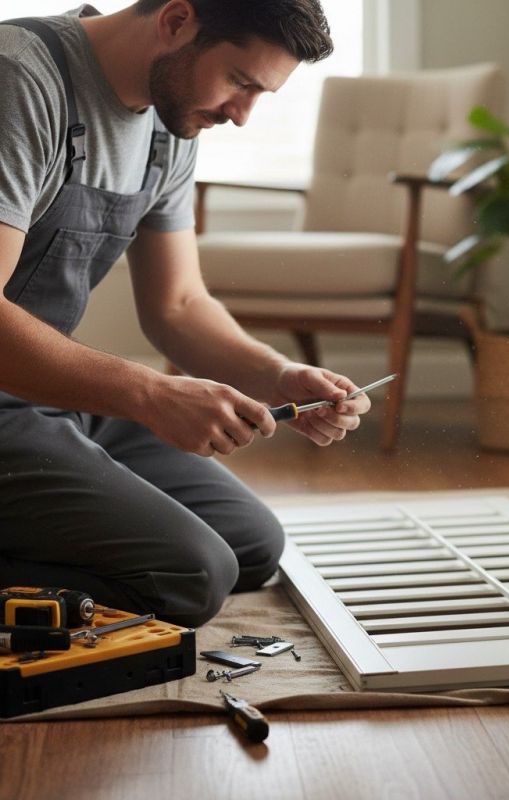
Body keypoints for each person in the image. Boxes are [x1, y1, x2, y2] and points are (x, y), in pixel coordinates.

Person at [0, 1, 370, 627]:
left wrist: (277, 374)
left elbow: (179, 305)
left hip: (44, 394)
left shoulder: (171, 120)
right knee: (191, 574)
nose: (242, 114)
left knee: (250, 544)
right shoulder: (21, 82)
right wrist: (150, 393)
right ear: (176, 21)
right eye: (240, 81)